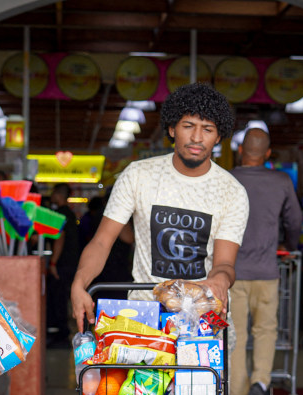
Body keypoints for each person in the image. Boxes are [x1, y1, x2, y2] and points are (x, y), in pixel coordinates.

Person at [71, 82, 249, 334]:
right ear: (172, 128)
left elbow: (224, 263)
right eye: (188, 126)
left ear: (218, 136)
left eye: (207, 129)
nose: (197, 138)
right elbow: (102, 242)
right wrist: (79, 283)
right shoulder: (138, 175)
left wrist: (220, 278)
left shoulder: (232, 191)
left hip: (203, 320)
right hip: (144, 318)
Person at [228, 128, 302, 395]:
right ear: (268, 154)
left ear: (240, 150)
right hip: (268, 272)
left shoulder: (226, 179)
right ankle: (261, 381)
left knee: (235, 339)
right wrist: (291, 245)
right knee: (266, 332)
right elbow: (294, 220)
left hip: (231, 274)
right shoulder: (282, 181)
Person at [47, 182, 80, 347]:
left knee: (59, 297)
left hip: (62, 263)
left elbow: (59, 238)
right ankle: (62, 332)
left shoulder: (59, 214)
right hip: (71, 261)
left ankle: (61, 335)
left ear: (58, 195)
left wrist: (53, 262)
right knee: (63, 296)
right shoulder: (70, 213)